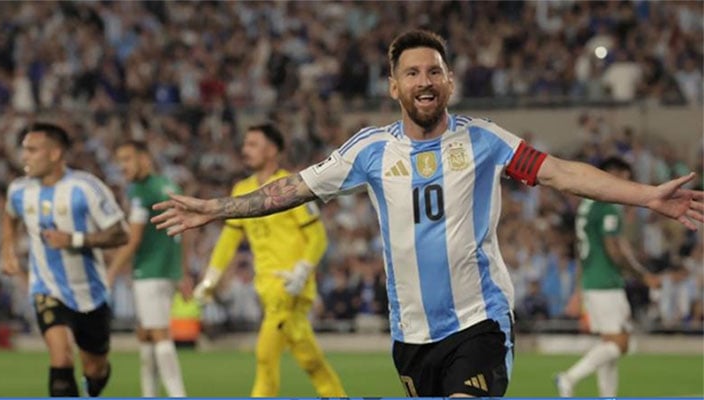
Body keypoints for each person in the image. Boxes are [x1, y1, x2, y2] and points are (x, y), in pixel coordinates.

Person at [150, 30, 704, 397]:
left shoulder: (483, 139)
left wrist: (647, 196)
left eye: (434, 71)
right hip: (411, 334)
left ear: (450, 82)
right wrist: (215, 209)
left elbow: (559, 171)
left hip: (479, 321)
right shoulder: (370, 150)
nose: (425, 81)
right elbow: (291, 189)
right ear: (394, 86)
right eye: (412, 73)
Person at [192, 123, 347, 397]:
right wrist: (210, 279)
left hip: (289, 287)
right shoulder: (242, 189)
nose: (245, 149)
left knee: (265, 356)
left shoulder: (291, 186)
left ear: (272, 150)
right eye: (245, 144)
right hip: (266, 288)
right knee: (310, 360)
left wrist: (302, 271)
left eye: (253, 144)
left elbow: (318, 237)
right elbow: (228, 239)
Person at [1, 122, 128, 397]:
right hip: (46, 287)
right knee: (61, 358)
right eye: (24, 150)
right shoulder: (19, 190)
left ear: (55, 154)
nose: (24, 157)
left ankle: (97, 376)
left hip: (90, 292)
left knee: (94, 369)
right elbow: (10, 216)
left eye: (32, 150)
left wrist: (74, 240)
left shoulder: (86, 188)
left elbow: (121, 233)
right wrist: (7, 250)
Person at [556, 157, 660, 397]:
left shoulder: (586, 205)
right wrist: (643, 276)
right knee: (621, 343)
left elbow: (581, 250)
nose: (626, 184)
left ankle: (608, 396)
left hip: (593, 280)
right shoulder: (608, 206)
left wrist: (578, 288)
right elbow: (614, 249)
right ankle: (569, 377)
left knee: (610, 341)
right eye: (625, 177)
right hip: (605, 282)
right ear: (613, 173)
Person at [108, 140, 189, 397]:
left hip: (150, 271)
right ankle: (149, 393)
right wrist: (183, 271)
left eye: (127, 159)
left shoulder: (140, 192)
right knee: (145, 333)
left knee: (158, 333)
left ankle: (177, 394)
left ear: (144, 159)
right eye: (119, 161)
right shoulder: (169, 185)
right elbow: (184, 230)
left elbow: (133, 240)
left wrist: (110, 273)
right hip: (168, 270)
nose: (122, 166)